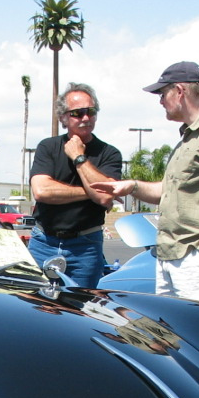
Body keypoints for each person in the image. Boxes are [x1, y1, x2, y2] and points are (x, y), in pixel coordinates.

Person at [90, 61, 199, 304]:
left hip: (197, 260)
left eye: (163, 93)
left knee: (198, 336)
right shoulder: (189, 137)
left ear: (180, 91)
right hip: (173, 257)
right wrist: (130, 186)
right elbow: (168, 190)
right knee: (173, 339)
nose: (160, 101)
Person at [28, 82, 122, 288]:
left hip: (85, 246)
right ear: (63, 118)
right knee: (35, 307)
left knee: (81, 310)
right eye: (78, 113)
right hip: (43, 242)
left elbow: (105, 197)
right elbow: (42, 191)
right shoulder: (48, 147)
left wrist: (79, 157)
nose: (86, 118)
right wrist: (91, 191)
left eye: (91, 111)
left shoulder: (109, 153)